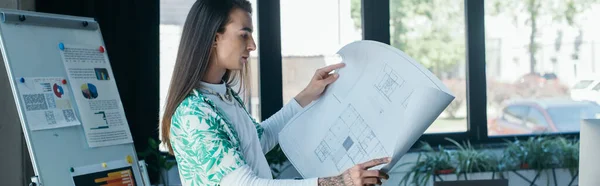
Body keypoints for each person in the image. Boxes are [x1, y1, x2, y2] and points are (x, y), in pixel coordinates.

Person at [160, 0, 391, 185]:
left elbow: (259, 140)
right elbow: (245, 184)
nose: (252, 45)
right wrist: (338, 182)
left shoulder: (223, 96)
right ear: (214, 37)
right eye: (244, 34)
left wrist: (307, 95)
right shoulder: (193, 114)